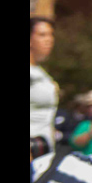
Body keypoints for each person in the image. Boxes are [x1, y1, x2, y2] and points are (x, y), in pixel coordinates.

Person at [30, 17, 57, 158]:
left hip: (44, 152)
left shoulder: (41, 72)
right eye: (42, 35)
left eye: (51, 34)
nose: (49, 40)